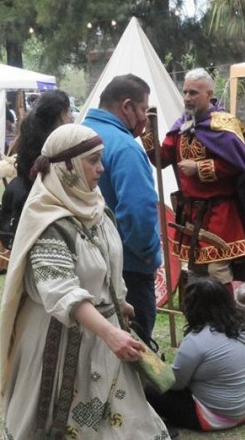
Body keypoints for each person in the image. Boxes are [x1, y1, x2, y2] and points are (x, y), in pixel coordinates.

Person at [0, 124, 169, 439]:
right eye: (93, 160)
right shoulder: (48, 222)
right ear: (67, 166)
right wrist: (110, 334)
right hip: (60, 342)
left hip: (107, 336)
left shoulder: (97, 209)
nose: (101, 168)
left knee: (126, 424)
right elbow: (62, 292)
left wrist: (120, 303)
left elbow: (105, 266)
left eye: (100, 159)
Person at [143, 68, 245, 286]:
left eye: (193, 93)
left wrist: (200, 167)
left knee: (217, 272)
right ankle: (203, 319)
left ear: (209, 94)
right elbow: (161, 159)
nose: (187, 98)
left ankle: (226, 319)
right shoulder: (182, 125)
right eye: (185, 92)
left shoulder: (225, 125)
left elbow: (238, 165)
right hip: (191, 213)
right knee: (196, 271)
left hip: (220, 213)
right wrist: (148, 132)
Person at [82, 74, 161, 344]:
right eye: (142, 109)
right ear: (126, 106)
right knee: (132, 350)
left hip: (84, 266)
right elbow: (138, 213)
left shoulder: (77, 136)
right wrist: (148, 253)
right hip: (128, 270)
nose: (144, 118)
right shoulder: (126, 147)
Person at [145, 276, 245, 432]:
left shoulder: (197, 340)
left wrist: (153, 366)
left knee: (148, 388)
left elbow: (175, 383)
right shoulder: (242, 328)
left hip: (216, 417)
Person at [0, 89, 72, 245]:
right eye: (68, 111)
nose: (71, 117)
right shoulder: (55, 143)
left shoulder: (31, 129)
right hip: (42, 210)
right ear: (60, 114)